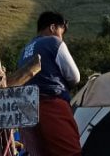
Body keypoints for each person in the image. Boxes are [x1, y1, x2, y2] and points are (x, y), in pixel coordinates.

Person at [17, 11, 82, 156]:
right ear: (53, 27)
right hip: (51, 105)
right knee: (70, 151)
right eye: (61, 32)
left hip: (26, 109)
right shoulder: (53, 42)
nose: (61, 36)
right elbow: (75, 76)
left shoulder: (23, 51)